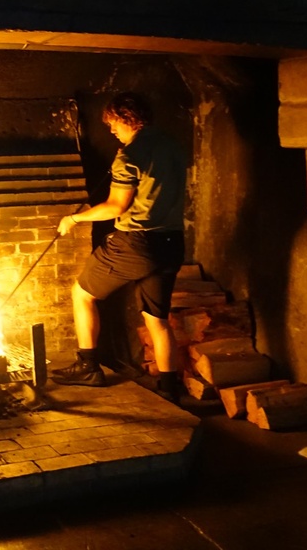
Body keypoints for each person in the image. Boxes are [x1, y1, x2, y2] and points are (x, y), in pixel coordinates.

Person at [53, 91, 186, 403]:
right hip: (171, 242)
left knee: (82, 293)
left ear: (127, 119)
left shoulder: (129, 155)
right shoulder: (172, 144)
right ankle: (169, 390)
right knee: (157, 319)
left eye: (113, 123)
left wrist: (74, 218)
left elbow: (116, 206)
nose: (111, 130)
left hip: (136, 242)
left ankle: (88, 366)